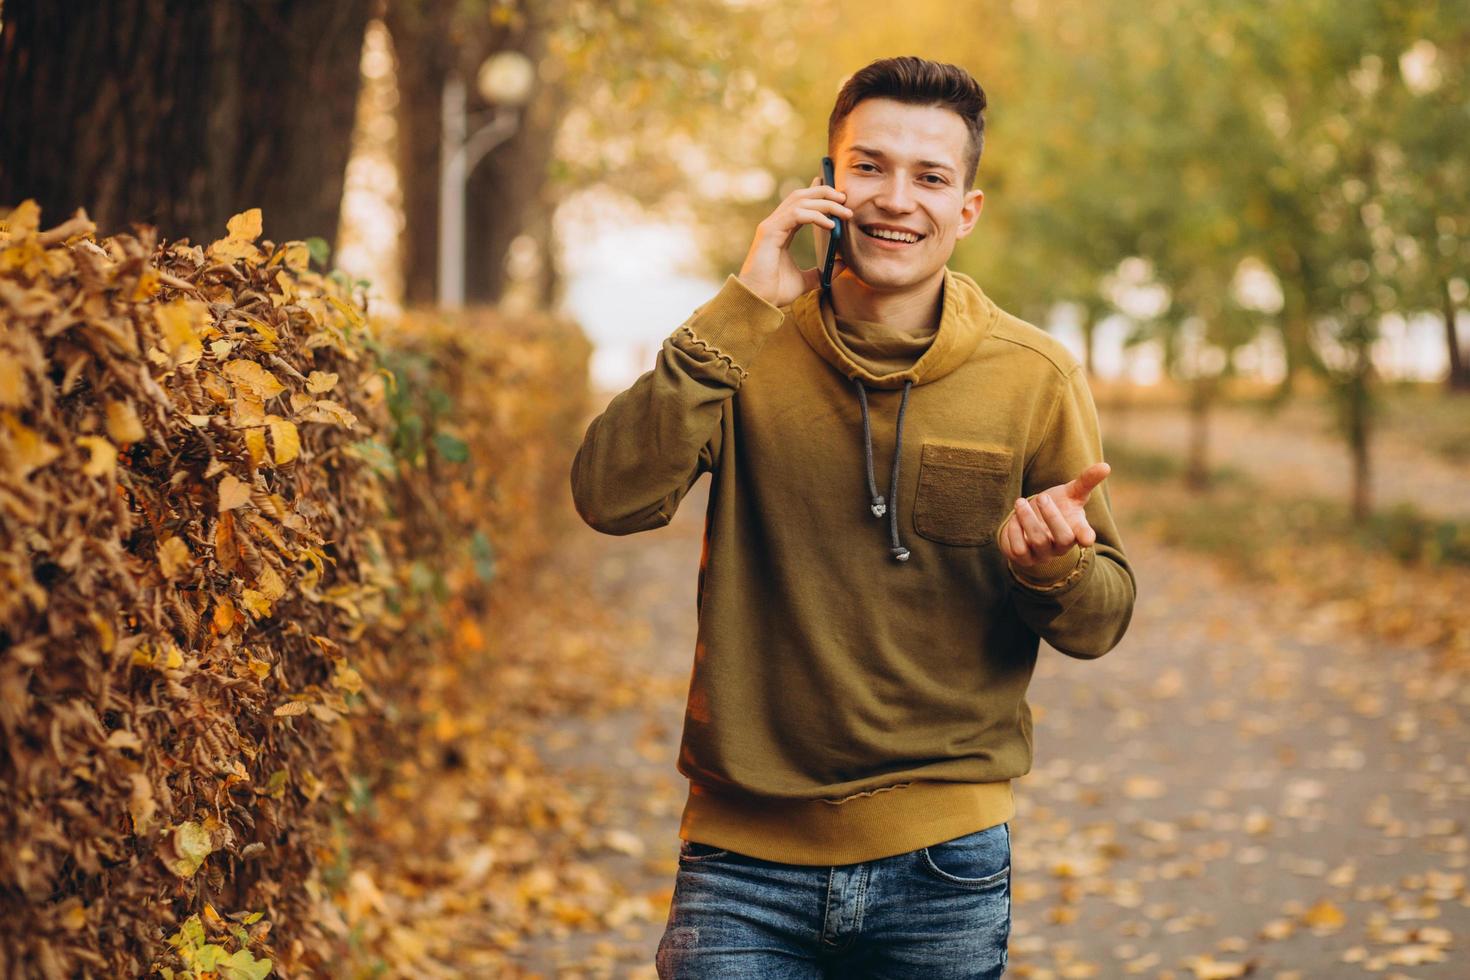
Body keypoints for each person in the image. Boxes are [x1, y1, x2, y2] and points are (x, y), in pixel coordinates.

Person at [569, 54, 1136, 978]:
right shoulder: (743, 342)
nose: (895, 200)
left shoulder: (1033, 375)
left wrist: (1055, 567)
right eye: (869, 167)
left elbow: (1104, 615)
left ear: (967, 209)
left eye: (930, 177)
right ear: (826, 184)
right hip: (740, 860)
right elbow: (609, 496)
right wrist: (744, 305)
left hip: (944, 861)